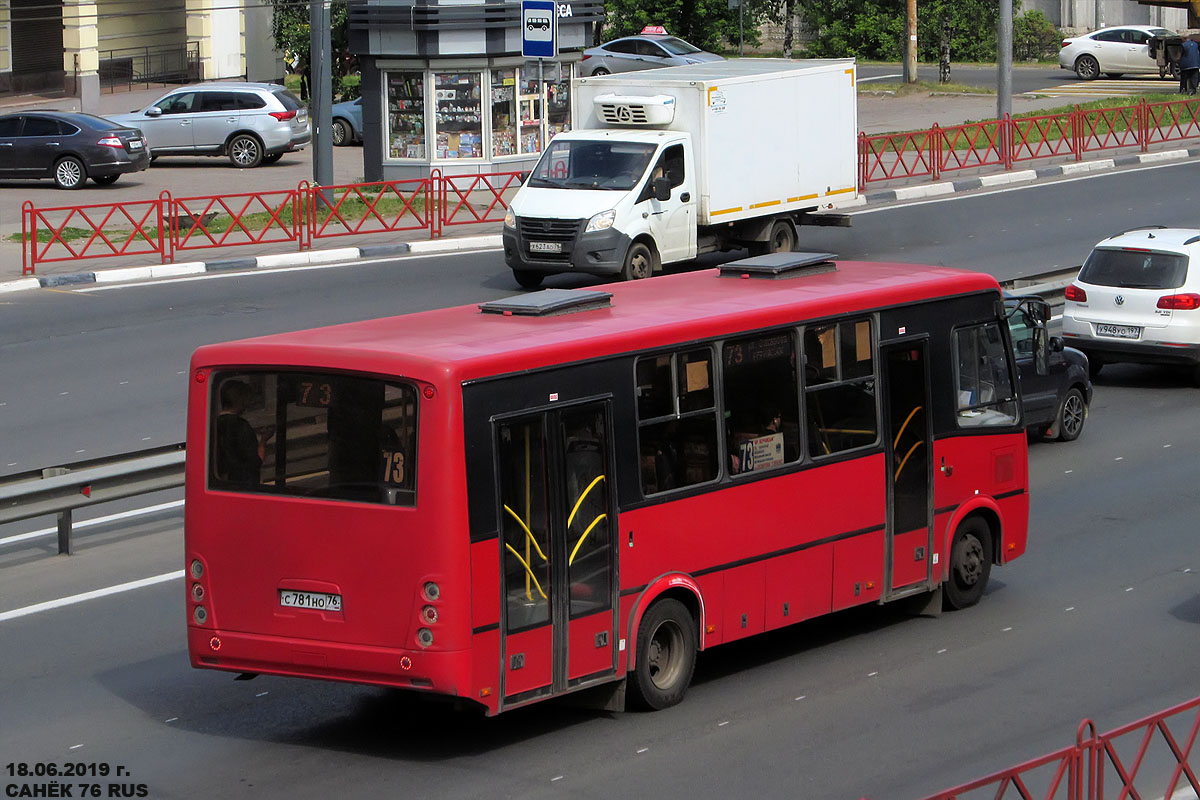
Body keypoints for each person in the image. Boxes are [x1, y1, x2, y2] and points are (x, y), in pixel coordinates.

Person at [214, 380, 268, 486]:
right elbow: (255, 462)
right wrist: (263, 441)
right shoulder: (241, 426)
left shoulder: (214, 424)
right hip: (243, 485)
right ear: (241, 401)